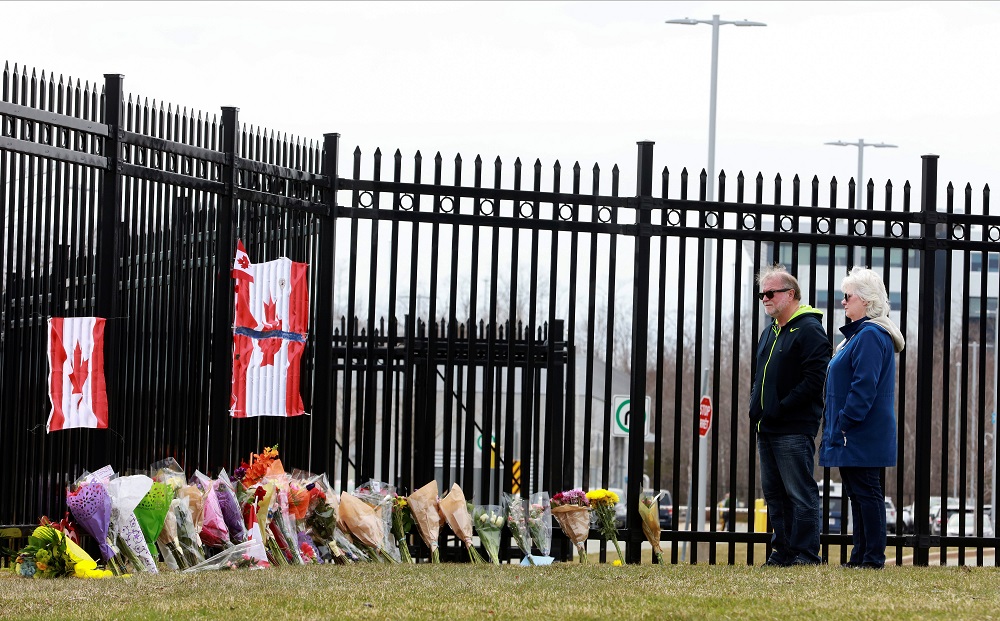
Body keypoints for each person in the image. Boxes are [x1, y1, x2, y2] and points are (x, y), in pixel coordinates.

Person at [819, 267, 904, 570]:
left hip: (860, 432)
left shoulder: (869, 335)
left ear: (866, 301)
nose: (843, 302)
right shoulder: (862, 335)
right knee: (858, 493)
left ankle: (872, 559)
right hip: (856, 432)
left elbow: (863, 387)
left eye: (848, 296)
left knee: (867, 493)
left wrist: (843, 422)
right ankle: (861, 556)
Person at [749, 264, 831, 566]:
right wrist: (756, 408)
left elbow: (814, 381)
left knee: (799, 493)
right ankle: (782, 551)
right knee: (775, 495)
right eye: (762, 295)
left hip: (793, 428)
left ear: (790, 293)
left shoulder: (809, 329)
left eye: (770, 293)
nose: (765, 299)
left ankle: (806, 554)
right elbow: (760, 377)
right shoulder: (771, 330)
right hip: (767, 426)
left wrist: (780, 407)